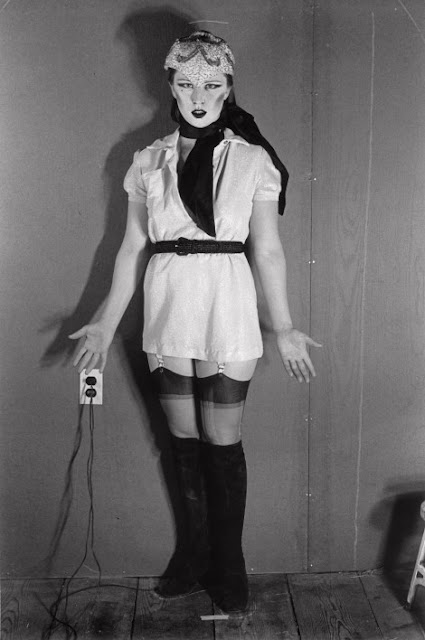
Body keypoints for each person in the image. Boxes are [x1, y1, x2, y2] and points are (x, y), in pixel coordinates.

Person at [70, 30, 321, 615]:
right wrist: (104, 324)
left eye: (211, 84)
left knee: (222, 444)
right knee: (182, 443)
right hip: (168, 301)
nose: (199, 96)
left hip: (226, 302)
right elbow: (132, 248)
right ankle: (193, 557)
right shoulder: (147, 161)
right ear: (172, 88)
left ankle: (229, 567)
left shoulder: (252, 159)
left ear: (228, 87)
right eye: (187, 84)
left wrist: (284, 326)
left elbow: (268, 250)